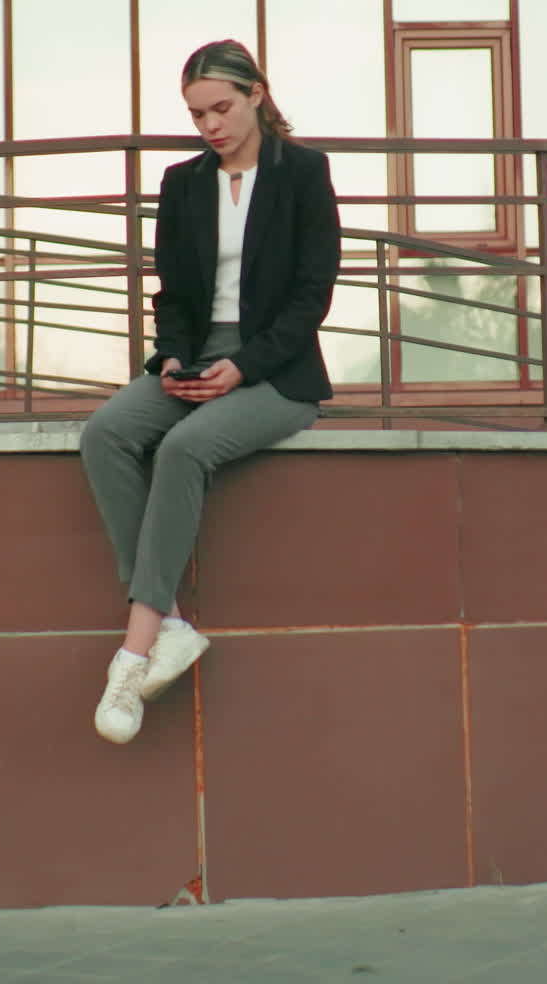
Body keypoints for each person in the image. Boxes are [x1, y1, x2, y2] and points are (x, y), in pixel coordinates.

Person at [80, 39, 341, 744]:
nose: (210, 126)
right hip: (196, 361)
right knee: (105, 433)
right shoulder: (183, 182)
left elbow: (312, 294)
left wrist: (246, 366)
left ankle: (133, 656)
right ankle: (168, 624)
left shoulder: (304, 174)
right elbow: (173, 295)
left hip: (277, 374)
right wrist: (169, 357)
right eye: (197, 116)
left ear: (257, 93)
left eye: (221, 108)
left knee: (185, 449)